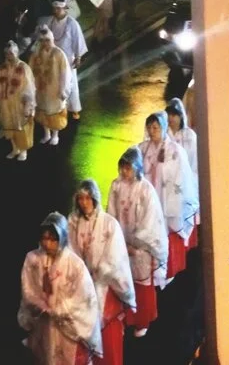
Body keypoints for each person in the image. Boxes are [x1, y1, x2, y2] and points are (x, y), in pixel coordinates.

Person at [67, 180, 136, 365]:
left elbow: (115, 257)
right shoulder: (72, 222)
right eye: (80, 198)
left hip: (105, 287)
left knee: (108, 334)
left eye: (88, 198)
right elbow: (69, 252)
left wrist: (99, 272)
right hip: (82, 287)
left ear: (94, 198)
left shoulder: (109, 224)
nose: (84, 202)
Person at [18, 212, 101, 364]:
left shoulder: (75, 265)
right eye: (44, 238)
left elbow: (84, 298)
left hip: (68, 328)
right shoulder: (33, 259)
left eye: (52, 239)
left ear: (62, 239)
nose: (47, 244)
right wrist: (40, 304)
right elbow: (27, 289)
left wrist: (59, 309)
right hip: (44, 326)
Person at [107, 147, 167, 338]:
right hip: (122, 245)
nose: (124, 172)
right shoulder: (116, 185)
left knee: (141, 285)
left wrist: (137, 246)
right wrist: (117, 242)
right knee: (123, 282)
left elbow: (150, 221)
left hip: (140, 249)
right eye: (122, 167)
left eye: (128, 167)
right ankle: (128, 318)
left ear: (137, 167)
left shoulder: (146, 190)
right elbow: (112, 214)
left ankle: (143, 320)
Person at [138, 112, 198, 282]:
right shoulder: (142, 148)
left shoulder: (175, 151)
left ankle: (167, 269)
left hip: (166, 200)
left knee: (164, 232)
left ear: (163, 128)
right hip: (150, 200)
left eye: (155, 127)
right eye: (149, 127)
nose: (151, 131)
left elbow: (180, 178)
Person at [36, 0, 88, 120]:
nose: (56, 11)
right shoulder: (50, 21)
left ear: (64, 9)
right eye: (54, 9)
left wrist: (78, 56)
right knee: (54, 82)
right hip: (52, 57)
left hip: (68, 58)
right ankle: (57, 107)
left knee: (70, 83)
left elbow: (77, 40)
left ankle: (74, 108)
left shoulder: (72, 23)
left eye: (59, 9)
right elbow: (42, 36)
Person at [0, 40, 36, 161]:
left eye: (11, 53)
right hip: (5, 104)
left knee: (21, 127)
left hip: (19, 104)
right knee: (8, 127)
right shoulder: (2, 68)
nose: (9, 56)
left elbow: (29, 87)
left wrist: (28, 104)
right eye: (7, 54)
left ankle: (23, 151)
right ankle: (15, 148)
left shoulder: (24, 68)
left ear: (16, 53)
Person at [165, 98, 200, 251]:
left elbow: (194, 164)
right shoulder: (164, 136)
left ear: (181, 116)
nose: (172, 119)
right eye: (169, 115)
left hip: (186, 184)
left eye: (175, 115)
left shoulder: (190, 136)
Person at [29, 26, 71, 147]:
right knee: (42, 112)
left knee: (54, 113)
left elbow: (65, 74)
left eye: (47, 40)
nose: (45, 43)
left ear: (52, 40)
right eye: (42, 41)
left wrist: (64, 90)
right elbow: (30, 73)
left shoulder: (59, 54)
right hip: (41, 90)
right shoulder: (35, 55)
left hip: (55, 90)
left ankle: (55, 135)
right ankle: (46, 133)